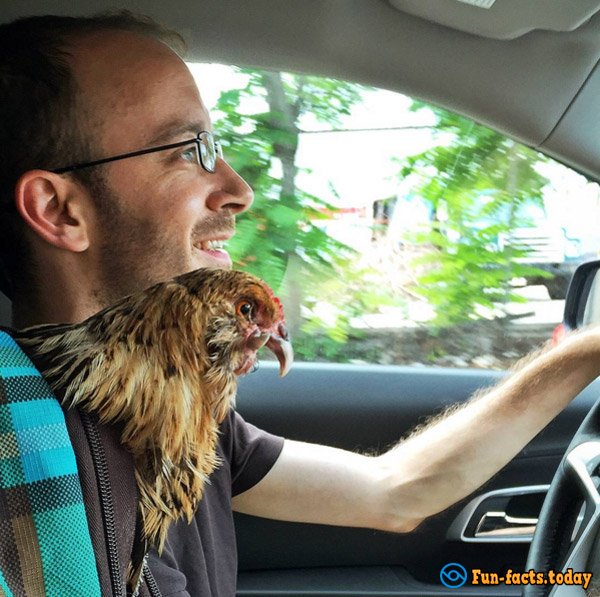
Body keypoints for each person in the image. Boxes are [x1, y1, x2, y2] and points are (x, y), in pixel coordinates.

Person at [0, 10, 599, 597]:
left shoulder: (186, 413)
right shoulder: (19, 451)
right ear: (60, 211)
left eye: (216, 145)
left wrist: (584, 353)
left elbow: (395, 492)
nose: (240, 190)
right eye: (187, 150)